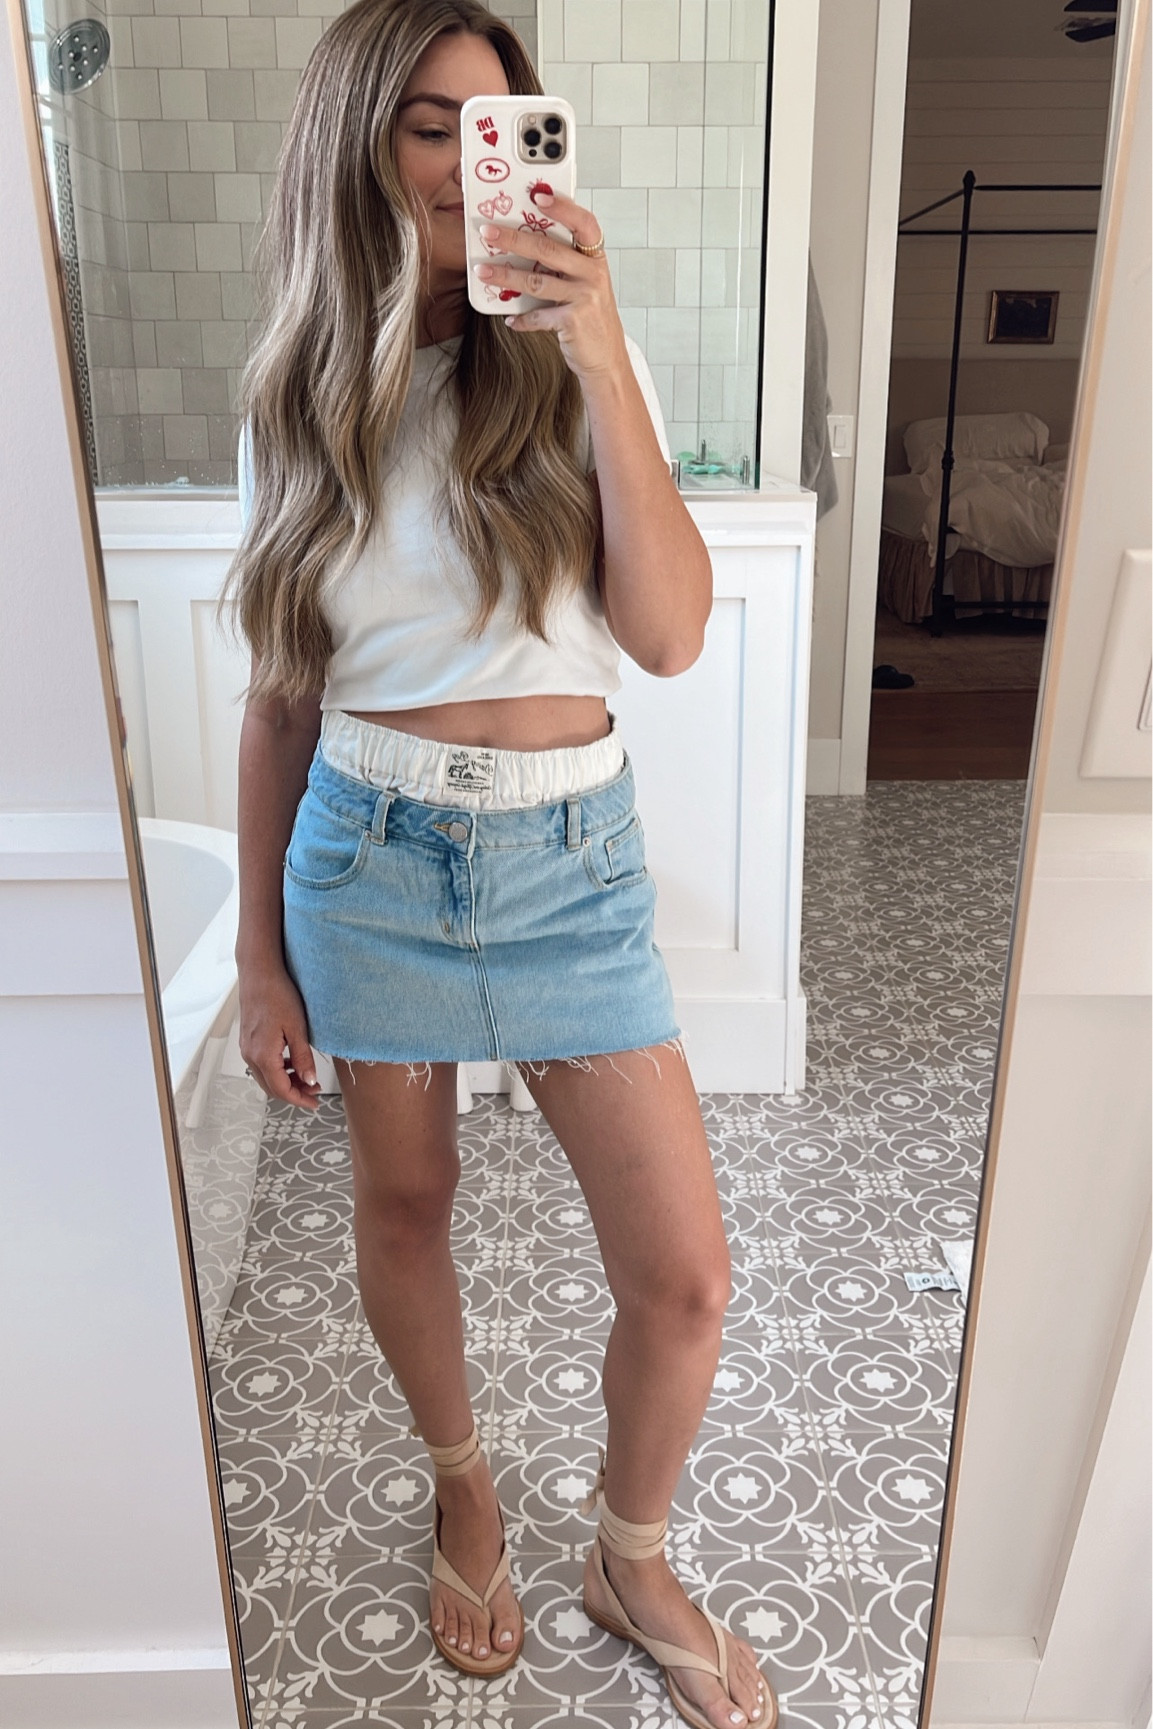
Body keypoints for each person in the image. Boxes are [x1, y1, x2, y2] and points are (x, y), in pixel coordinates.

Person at [225, 2, 776, 1725]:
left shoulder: (579, 356)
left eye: (503, 123)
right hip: (368, 858)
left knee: (683, 1274)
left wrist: (598, 350)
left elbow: (666, 638)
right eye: (432, 126)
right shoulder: (298, 394)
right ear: (357, 149)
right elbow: (281, 700)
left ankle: (629, 1552)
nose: (478, 163)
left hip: (570, 867)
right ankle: (463, 1487)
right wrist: (256, 957)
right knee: (405, 1206)